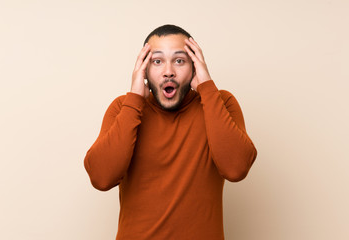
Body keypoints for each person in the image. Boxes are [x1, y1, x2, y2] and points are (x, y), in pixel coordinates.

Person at [84, 24, 257, 240]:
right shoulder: (123, 108)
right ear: (144, 70)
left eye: (179, 61)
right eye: (157, 61)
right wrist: (135, 98)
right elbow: (101, 178)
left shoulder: (221, 103)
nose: (168, 71)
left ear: (195, 66)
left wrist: (207, 88)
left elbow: (236, 169)